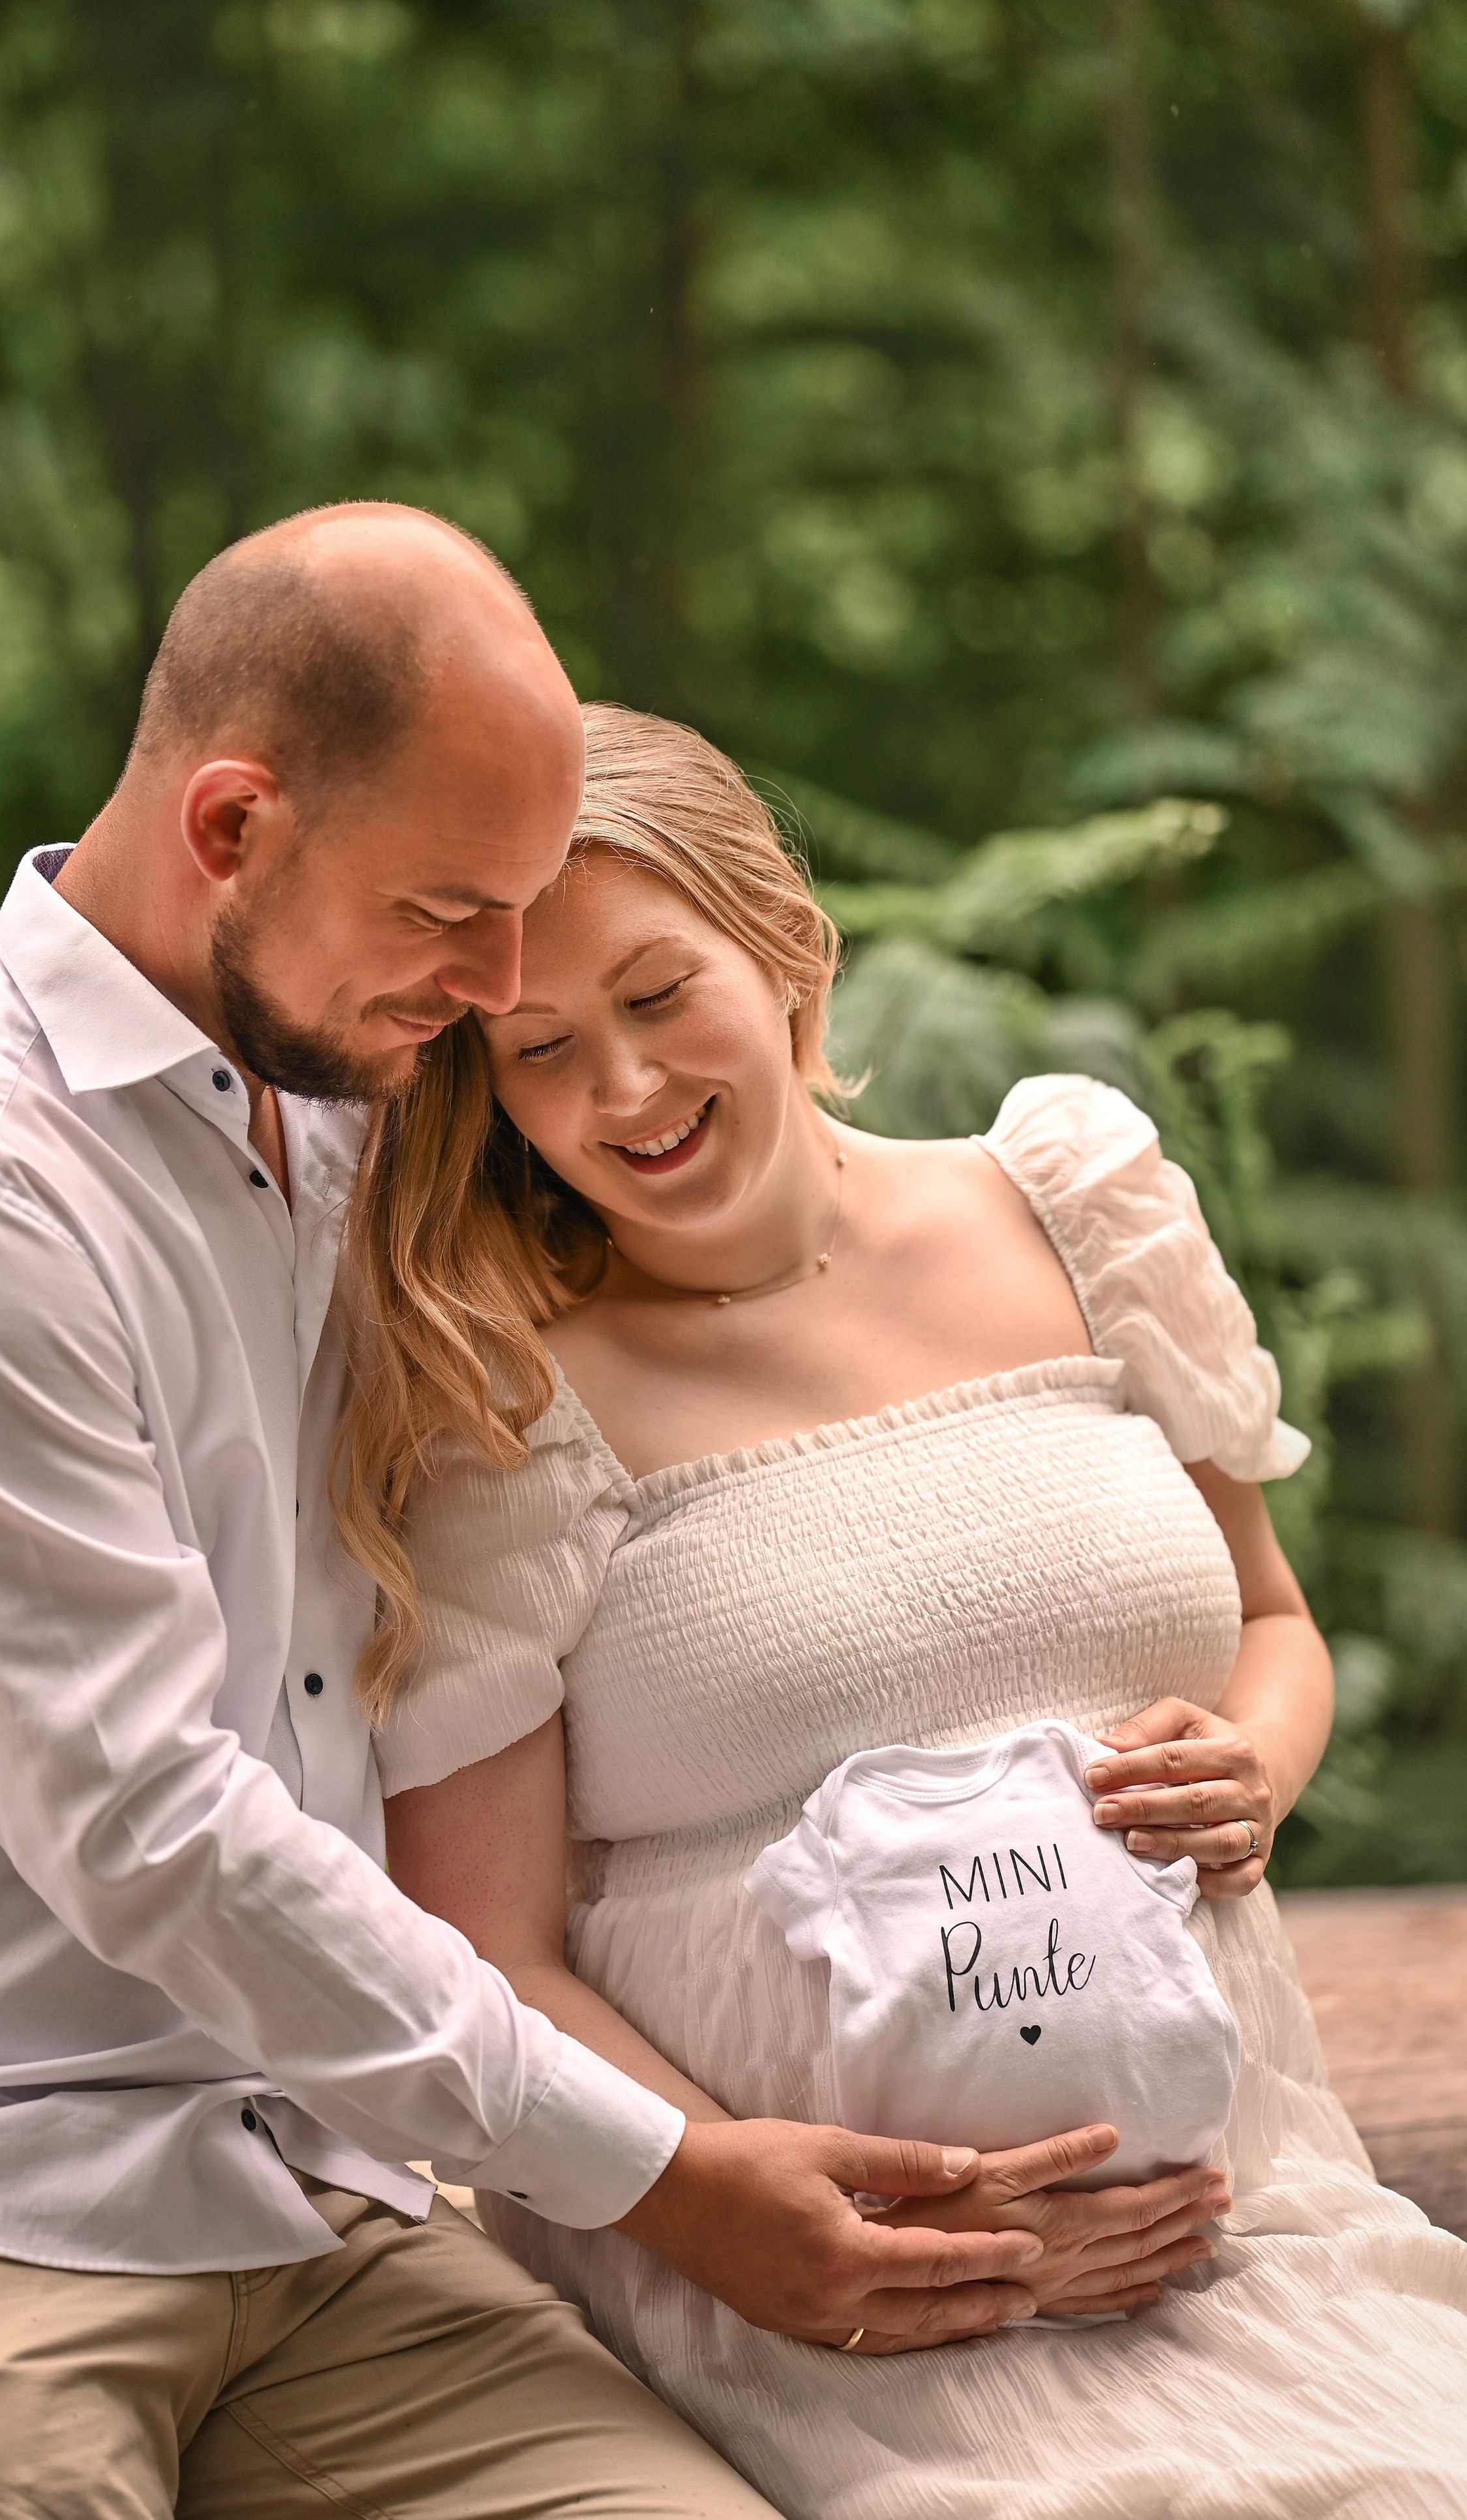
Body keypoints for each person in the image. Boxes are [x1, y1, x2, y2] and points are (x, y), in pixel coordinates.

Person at [0, 509, 1205, 2520]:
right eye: (455, 909)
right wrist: (666, 2171)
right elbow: (151, 1831)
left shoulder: (370, 1100)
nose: (500, 980)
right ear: (230, 827)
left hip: (321, 2201)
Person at [351, 702, 1467, 2520]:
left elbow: (1275, 1623)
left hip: (1244, 2214)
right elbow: (490, 1948)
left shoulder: (1079, 1201)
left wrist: (1255, 1763)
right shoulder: (502, 1403)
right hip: (818, 2305)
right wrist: (753, 2209)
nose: (621, 1091)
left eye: (657, 994)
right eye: (540, 1049)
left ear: (781, 940)